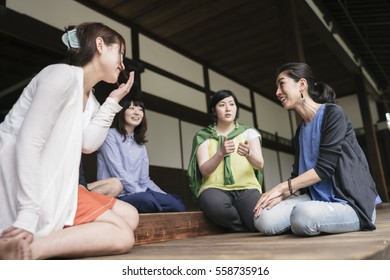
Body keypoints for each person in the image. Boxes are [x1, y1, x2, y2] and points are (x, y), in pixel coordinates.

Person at [0, 22, 139, 260]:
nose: (123, 64)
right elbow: (28, 142)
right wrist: (28, 211)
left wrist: (113, 101)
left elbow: (88, 144)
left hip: (53, 183)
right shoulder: (60, 75)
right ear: (100, 46)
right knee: (123, 236)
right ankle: (27, 251)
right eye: (120, 53)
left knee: (130, 216)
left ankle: (35, 243)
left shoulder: (91, 99)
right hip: (22, 182)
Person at [254, 62, 382, 236]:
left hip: (350, 202)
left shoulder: (333, 114)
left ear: (302, 84)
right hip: (315, 199)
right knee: (264, 218)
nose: (277, 92)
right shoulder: (300, 131)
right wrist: (281, 196)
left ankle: (344, 220)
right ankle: (314, 221)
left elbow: (324, 168)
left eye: (281, 83)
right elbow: (297, 175)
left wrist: (280, 188)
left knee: (303, 215)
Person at [188, 89, 264, 232]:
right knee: (215, 206)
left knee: (257, 221)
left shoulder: (249, 133)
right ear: (214, 110)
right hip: (214, 189)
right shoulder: (203, 136)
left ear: (236, 108)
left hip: (246, 188)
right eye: (222, 105)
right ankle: (242, 228)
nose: (228, 108)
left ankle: (241, 226)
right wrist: (220, 153)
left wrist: (249, 153)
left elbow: (259, 164)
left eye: (232, 104)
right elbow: (204, 170)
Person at [96, 97, 186, 213]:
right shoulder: (110, 136)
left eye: (140, 109)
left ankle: (155, 204)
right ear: (122, 112)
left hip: (140, 193)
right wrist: (141, 192)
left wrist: (164, 196)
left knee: (176, 202)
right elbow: (118, 172)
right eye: (132, 108)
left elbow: (144, 180)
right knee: (147, 200)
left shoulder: (140, 145)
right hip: (118, 195)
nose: (137, 112)